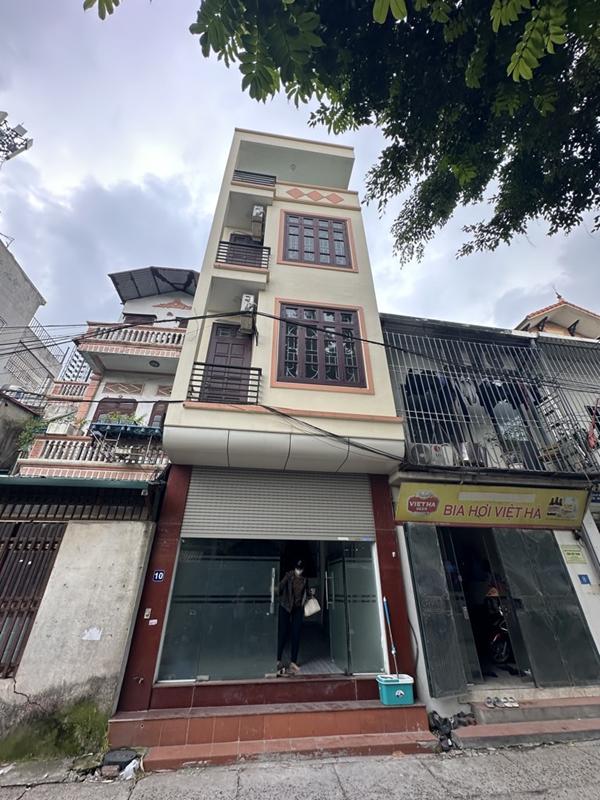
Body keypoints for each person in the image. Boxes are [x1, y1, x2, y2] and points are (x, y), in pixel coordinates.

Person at [276, 559, 310, 676]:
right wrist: (275, 589)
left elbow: (307, 592)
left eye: (300, 569)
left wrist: (310, 594)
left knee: (296, 634)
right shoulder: (289, 576)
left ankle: (293, 662)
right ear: (294, 568)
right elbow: (280, 587)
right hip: (285, 607)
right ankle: (278, 659)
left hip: (298, 609)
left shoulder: (304, 579)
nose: (298, 571)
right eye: (297, 568)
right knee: (283, 633)